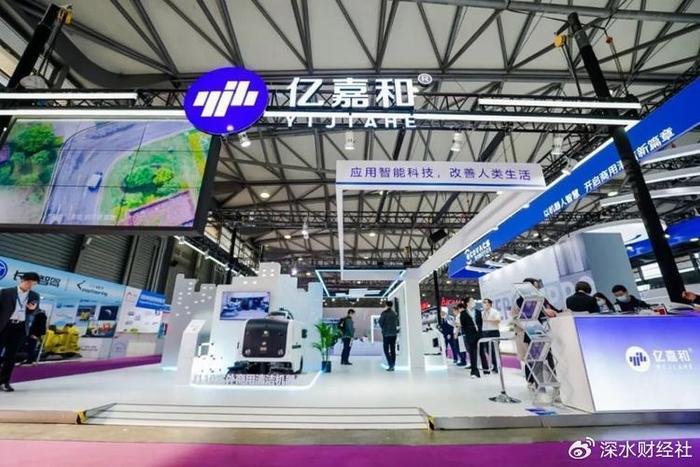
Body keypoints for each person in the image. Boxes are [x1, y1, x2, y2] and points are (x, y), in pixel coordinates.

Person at [0, 272, 41, 392]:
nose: (31, 286)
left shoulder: (34, 295)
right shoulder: (6, 292)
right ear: (22, 280)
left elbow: (35, 311)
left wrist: (33, 310)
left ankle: (4, 382)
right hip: (4, 326)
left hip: (20, 328)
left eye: (34, 284)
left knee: (11, 356)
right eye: (29, 282)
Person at [460, 296, 488, 378]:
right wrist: (470, 330)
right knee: (473, 353)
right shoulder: (463, 313)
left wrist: (479, 330)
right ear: (467, 303)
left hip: (479, 334)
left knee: (482, 352)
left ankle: (486, 370)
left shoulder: (478, 312)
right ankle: (474, 372)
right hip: (470, 335)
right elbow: (463, 325)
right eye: (472, 301)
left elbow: (481, 323)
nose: (474, 302)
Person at [480, 299, 501, 374]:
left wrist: (488, 320)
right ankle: (494, 364)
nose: (484, 304)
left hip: (493, 331)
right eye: (483, 303)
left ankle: (496, 366)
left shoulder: (495, 311)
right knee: (488, 350)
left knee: (493, 350)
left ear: (490, 304)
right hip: (485, 332)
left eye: (485, 302)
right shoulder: (482, 313)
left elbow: (498, 320)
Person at [378, 301, 399, 371]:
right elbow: (396, 323)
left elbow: (380, 322)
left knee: (386, 350)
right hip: (394, 334)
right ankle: (393, 365)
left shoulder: (384, 313)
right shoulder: (394, 313)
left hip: (386, 334)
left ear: (386, 305)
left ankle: (391, 364)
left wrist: (383, 328)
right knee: (393, 350)